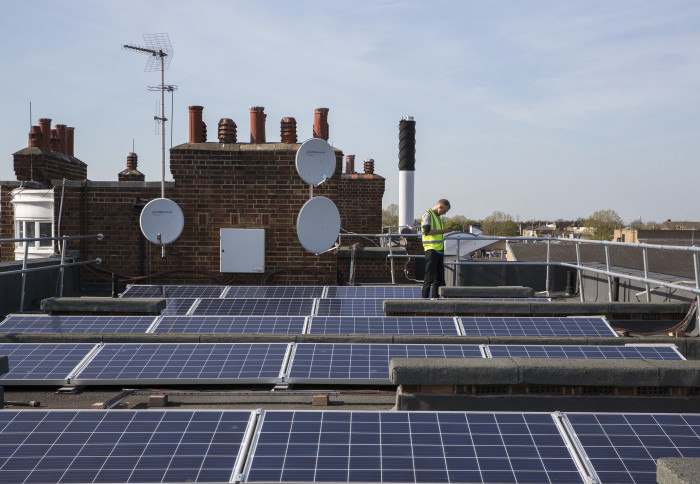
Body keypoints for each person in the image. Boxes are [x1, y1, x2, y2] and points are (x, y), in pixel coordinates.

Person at [421, 199, 451, 298]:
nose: (444, 213)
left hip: (439, 249)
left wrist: (444, 230)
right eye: (444, 211)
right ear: (440, 207)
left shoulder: (437, 216)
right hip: (431, 249)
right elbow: (427, 232)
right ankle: (425, 300)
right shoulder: (428, 215)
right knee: (429, 277)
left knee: (438, 278)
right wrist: (443, 230)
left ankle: (435, 300)